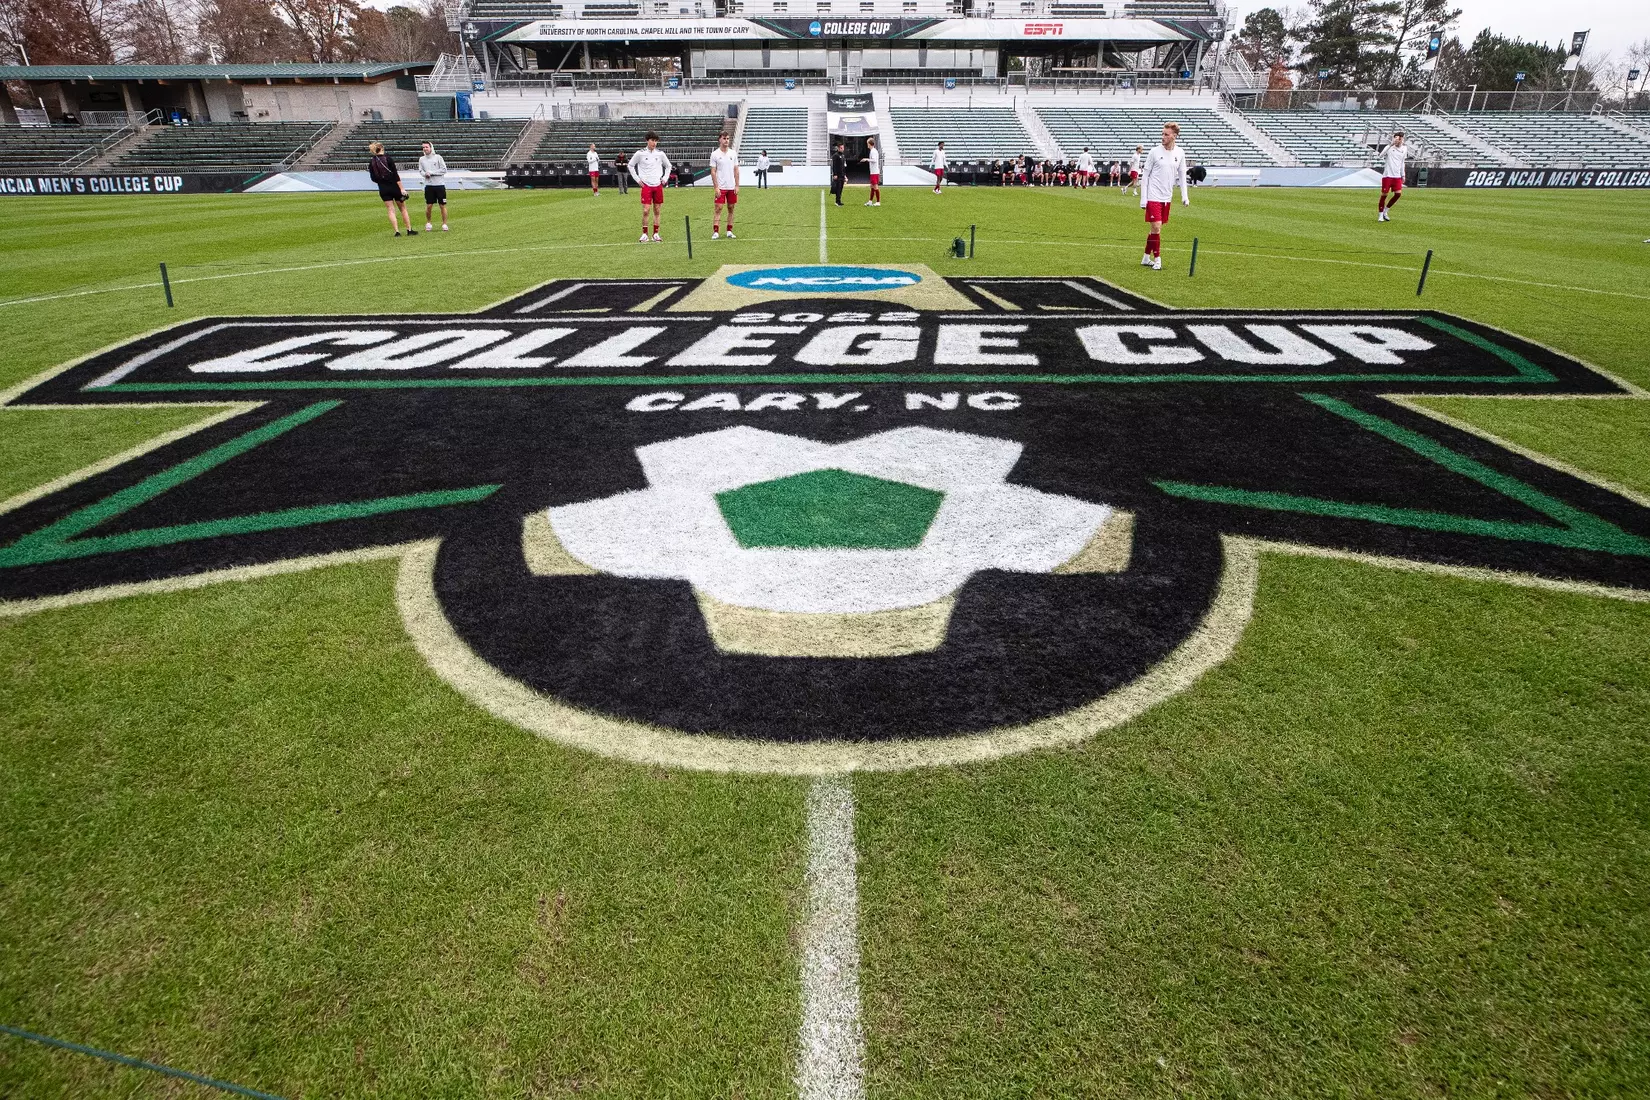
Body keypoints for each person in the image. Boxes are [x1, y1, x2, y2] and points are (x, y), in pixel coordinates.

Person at [1139, 121, 1189, 272]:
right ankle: (1157, 259)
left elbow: (1182, 175)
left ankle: (1146, 257)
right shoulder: (1154, 152)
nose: (1163, 137)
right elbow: (1145, 176)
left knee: (1155, 230)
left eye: (1166, 134)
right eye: (1162, 134)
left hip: (1167, 197)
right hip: (1153, 196)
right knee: (1156, 227)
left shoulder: (1180, 153)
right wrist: (1143, 198)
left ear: (1174, 136)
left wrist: (1184, 196)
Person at [629, 131, 671, 242]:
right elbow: (631, 165)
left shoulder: (660, 154)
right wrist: (638, 179)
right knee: (646, 210)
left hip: (657, 185)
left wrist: (665, 178)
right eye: (652, 140)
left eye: (656, 141)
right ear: (647, 140)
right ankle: (644, 234)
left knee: (657, 210)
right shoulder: (640, 153)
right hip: (646, 185)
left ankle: (656, 234)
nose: (654, 143)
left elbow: (668, 166)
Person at [368, 141, 414, 237]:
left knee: (390, 210)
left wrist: (381, 182)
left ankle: (397, 231)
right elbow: (395, 175)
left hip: (383, 188)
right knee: (403, 209)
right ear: (382, 148)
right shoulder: (388, 159)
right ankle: (409, 229)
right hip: (394, 186)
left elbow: (373, 178)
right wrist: (402, 188)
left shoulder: (372, 162)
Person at [709, 131, 739, 239]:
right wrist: (716, 187)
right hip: (721, 186)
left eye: (727, 139)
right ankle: (716, 231)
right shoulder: (715, 154)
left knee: (731, 208)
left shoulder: (733, 153)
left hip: (731, 186)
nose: (726, 141)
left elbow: (736, 170)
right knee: (718, 208)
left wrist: (737, 185)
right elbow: (713, 171)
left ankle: (729, 231)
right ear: (720, 139)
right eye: (724, 138)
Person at [418, 141, 449, 232]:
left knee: (442, 205)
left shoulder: (438, 157)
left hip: (439, 185)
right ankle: (428, 223)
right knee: (429, 205)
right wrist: (425, 174)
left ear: (431, 147)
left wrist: (432, 173)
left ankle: (444, 224)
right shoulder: (421, 159)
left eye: (426, 147)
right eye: (423, 147)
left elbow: (444, 170)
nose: (425, 149)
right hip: (429, 185)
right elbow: (420, 170)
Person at [1379, 131, 1407, 222]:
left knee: (1398, 194)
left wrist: (1403, 174)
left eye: (1400, 139)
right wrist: (1390, 145)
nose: (1398, 140)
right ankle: (1380, 215)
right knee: (1384, 194)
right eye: (1396, 138)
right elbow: (1380, 155)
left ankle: (1386, 210)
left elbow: (1402, 162)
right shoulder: (1389, 147)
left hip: (1397, 176)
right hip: (1387, 175)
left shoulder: (1404, 149)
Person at [866, 135, 882, 206]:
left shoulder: (873, 151)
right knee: (872, 186)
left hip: (874, 172)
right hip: (873, 172)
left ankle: (878, 202)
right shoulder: (873, 151)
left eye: (867, 143)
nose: (867, 145)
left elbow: (874, 160)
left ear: (869, 144)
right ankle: (870, 201)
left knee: (875, 186)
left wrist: (867, 159)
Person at [830, 141, 847, 207]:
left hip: (842, 174)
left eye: (843, 148)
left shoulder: (843, 156)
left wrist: (845, 175)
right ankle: (837, 201)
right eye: (841, 148)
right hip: (838, 175)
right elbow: (834, 165)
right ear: (838, 148)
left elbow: (844, 166)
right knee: (838, 188)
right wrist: (835, 174)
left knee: (841, 188)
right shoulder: (835, 156)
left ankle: (839, 200)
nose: (843, 149)